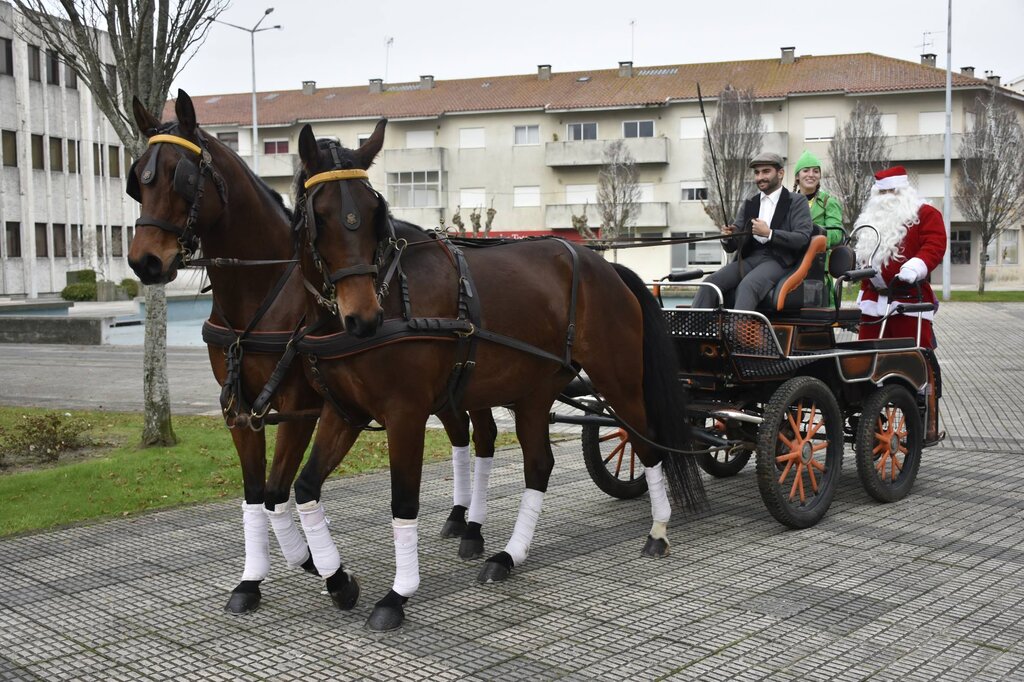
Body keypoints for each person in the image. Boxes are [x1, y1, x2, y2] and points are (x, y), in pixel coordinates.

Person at [692, 152, 813, 310]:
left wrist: (769, 233)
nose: (760, 177)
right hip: (750, 259)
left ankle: (739, 334)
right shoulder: (750, 203)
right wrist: (728, 237)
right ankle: (696, 332)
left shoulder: (797, 202)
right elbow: (733, 245)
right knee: (710, 283)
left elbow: (802, 238)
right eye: (757, 172)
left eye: (766, 171)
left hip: (779, 261)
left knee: (748, 286)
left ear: (780, 173)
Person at [853, 166, 947, 349]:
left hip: (909, 301)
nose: (887, 197)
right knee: (866, 359)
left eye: (892, 191)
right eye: (882, 192)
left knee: (912, 359)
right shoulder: (871, 219)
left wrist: (916, 266)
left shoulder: (926, 214)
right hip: (873, 304)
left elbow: (934, 245)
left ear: (904, 192)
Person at [792, 150, 844, 305]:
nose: (811, 174)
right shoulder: (787, 202)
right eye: (806, 170)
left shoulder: (829, 202)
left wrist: (813, 231)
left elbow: (836, 235)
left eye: (816, 171)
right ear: (797, 176)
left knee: (813, 314)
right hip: (791, 265)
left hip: (817, 268)